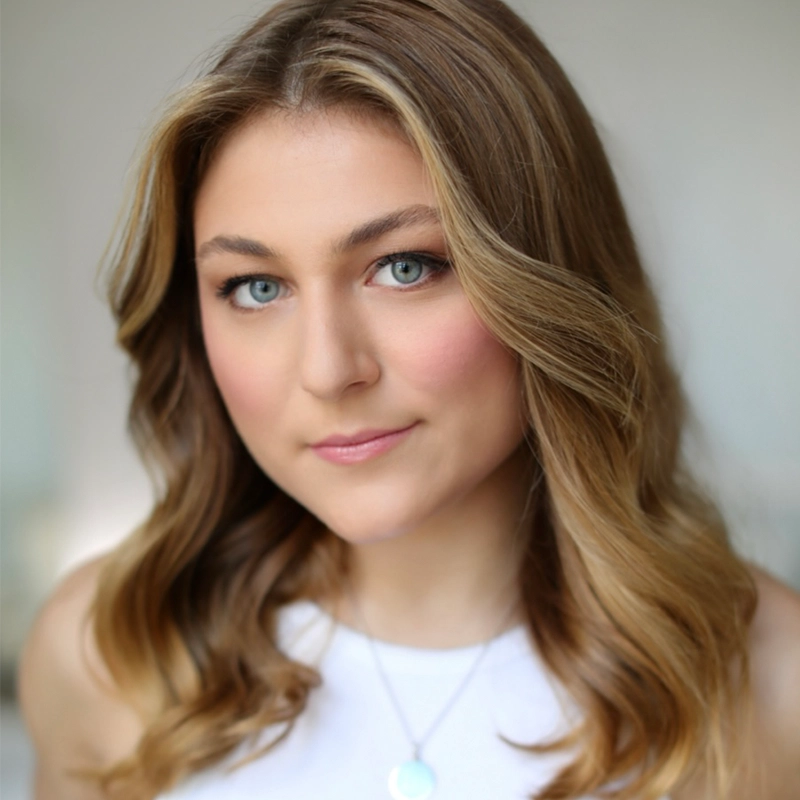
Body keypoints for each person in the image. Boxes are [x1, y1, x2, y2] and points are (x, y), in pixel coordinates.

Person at [18, 0, 800, 798]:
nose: (328, 370)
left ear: (548, 279)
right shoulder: (108, 653)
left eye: (404, 267)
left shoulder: (774, 684)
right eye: (256, 287)